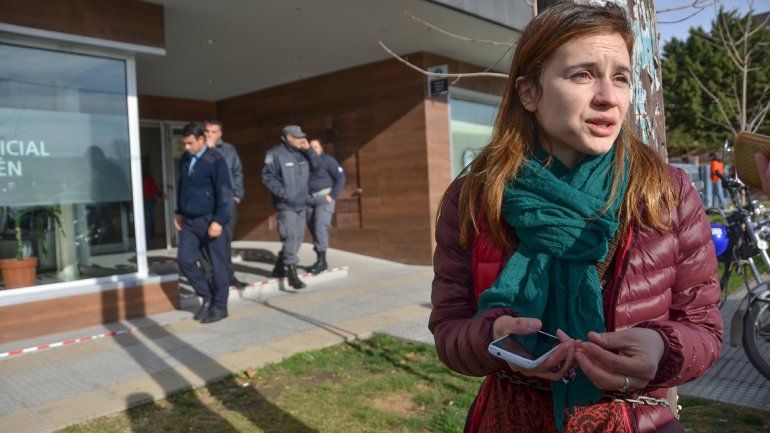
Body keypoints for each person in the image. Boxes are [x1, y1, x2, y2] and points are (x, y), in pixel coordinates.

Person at [429, 3, 723, 433]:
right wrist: (492, 337)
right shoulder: (476, 196)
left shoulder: (666, 193)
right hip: (509, 419)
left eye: (620, 77)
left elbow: (704, 329)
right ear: (529, 93)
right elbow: (448, 329)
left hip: (630, 419)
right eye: (582, 74)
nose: (608, 96)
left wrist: (661, 349)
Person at [175, 122, 233, 324]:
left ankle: (220, 306)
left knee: (218, 266)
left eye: (190, 143)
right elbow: (182, 186)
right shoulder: (185, 159)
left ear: (201, 140)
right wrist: (179, 212)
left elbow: (225, 193)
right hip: (190, 221)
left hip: (210, 220)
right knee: (185, 260)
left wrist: (219, 220)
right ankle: (207, 297)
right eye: (184, 143)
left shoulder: (215, 160)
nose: (186, 147)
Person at [261, 125, 318, 289]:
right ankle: (291, 273)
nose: (301, 139)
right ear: (288, 137)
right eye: (297, 137)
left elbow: (317, 166)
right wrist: (283, 194)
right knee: (290, 236)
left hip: (302, 203)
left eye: (302, 136)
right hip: (286, 204)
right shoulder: (275, 154)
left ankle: (280, 265)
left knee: (299, 237)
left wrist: (309, 150)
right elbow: (267, 177)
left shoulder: (302, 152)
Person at [202, 119, 246, 289]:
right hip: (206, 202)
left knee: (226, 239)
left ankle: (228, 275)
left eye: (214, 132)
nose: (210, 135)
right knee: (206, 239)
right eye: (207, 131)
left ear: (220, 133)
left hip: (227, 202)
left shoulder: (229, 149)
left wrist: (237, 196)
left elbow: (237, 172)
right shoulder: (198, 150)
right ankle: (210, 277)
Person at [306, 139, 345, 274]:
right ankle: (320, 260)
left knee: (320, 227)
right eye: (311, 147)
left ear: (321, 148)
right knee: (313, 228)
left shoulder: (329, 160)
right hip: (309, 199)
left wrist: (332, 196)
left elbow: (341, 178)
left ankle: (321, 262)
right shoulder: (305, 161)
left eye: (316, 147)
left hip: (324, 197)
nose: (313, 149)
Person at [141, 159, 166, 247]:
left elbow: (153, 190)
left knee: (145, 223)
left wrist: (160, 195)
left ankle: (147, 243)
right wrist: (161, 195)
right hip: (148, 202)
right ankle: (147, 243)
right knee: (148, 223)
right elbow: (153, 190)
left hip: (146, 202)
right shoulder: (149, 179)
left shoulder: (141, 179)